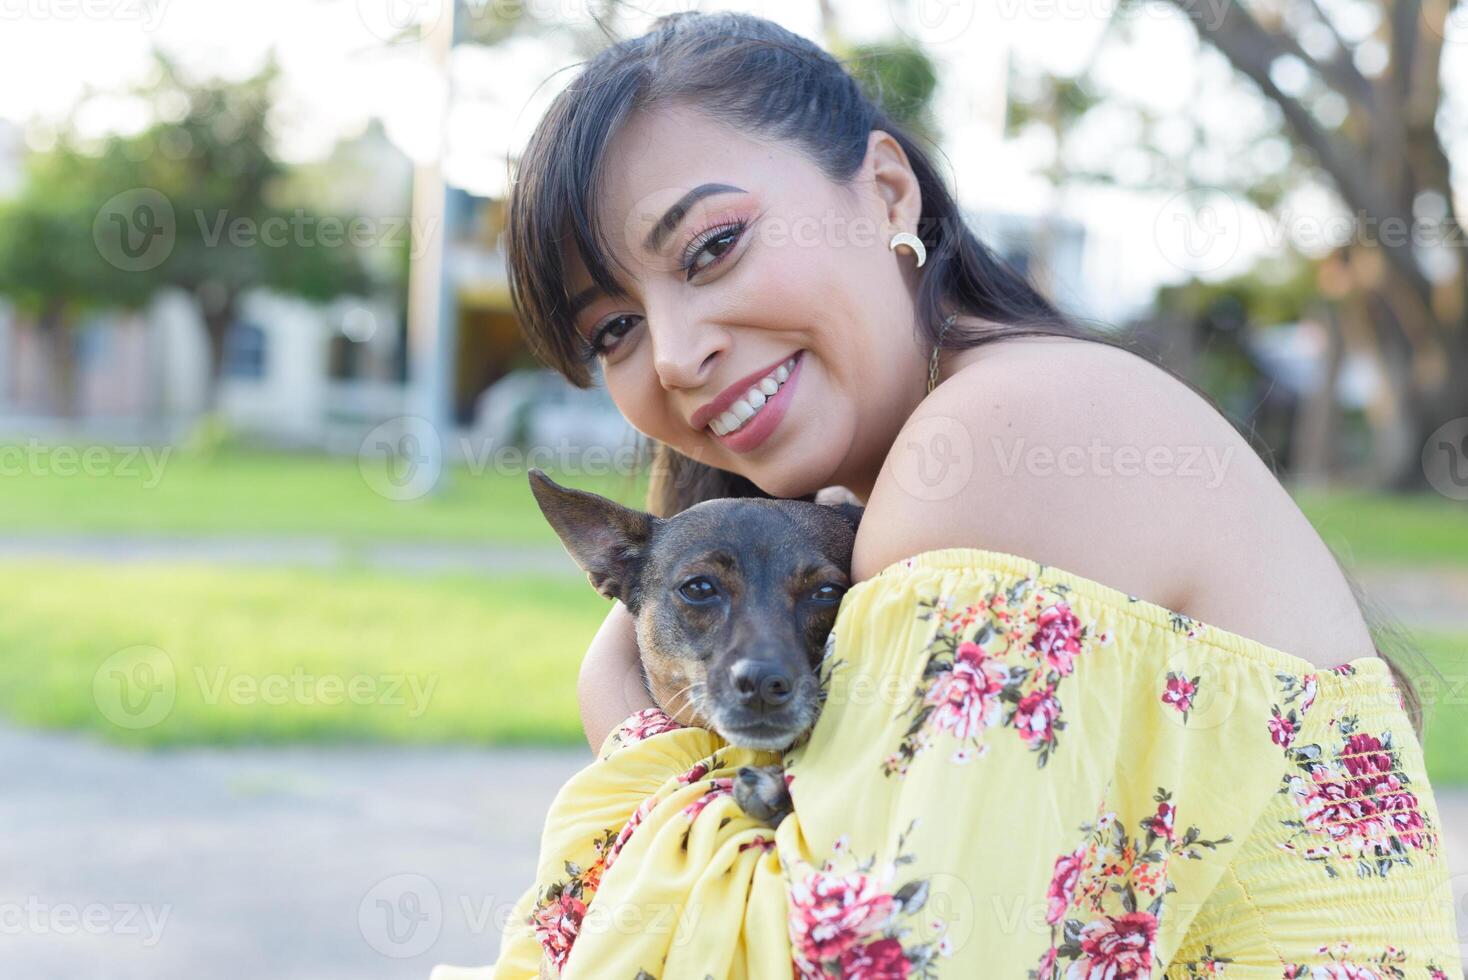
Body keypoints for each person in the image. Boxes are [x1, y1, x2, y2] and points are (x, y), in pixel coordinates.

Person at [434, 11, 1464, 978]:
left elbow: (844, 957)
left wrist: (631, 734)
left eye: (712, 247)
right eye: (611, 330)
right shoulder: (947, 449)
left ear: (886, 192)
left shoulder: (994, 439)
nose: (677, 351)